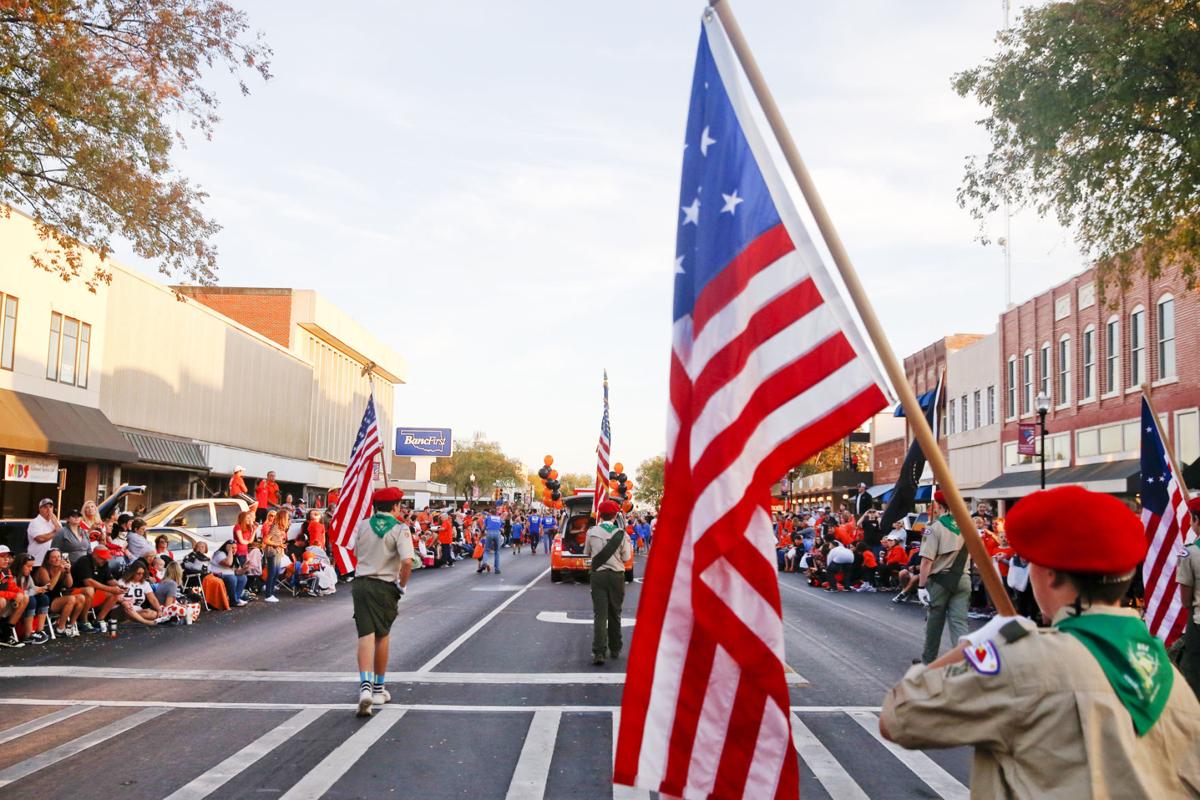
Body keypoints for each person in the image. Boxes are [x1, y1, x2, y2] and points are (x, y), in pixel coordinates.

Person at [880, 486, 1200, 797]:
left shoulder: (1025, 659)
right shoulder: (1171, 679)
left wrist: (979, 645)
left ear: (1050, 574)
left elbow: (901, 716)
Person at [350, 487, 413, 717]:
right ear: (395, 506)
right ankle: (378, 687)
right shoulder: (400, 528)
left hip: (361, 583)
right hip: (385, 585)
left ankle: (364, 686)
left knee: (365, 634)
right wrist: (402, 585)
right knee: (382, 635)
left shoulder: (364, 525)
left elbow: (357, 552)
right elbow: (407, 561)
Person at [916, 491, 971, 664]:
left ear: (938, 506)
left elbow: (926, 561)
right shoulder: (966, 525)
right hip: (963, 578)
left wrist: (921, 586)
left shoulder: (934, 528)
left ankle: (929, 661)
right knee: (959, 623)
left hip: (940, 581)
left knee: (934, 624)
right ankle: (964, 661)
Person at [585, 500, 631, 666]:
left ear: (600, 514)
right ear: (615, 515)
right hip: (617, 576)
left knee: (600, 614)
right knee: (615, 612)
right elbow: (626, 558)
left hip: (598, 575)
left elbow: (587, 552)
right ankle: (615, 647)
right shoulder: (622, 534)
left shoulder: (592, 532)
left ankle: (599, 652)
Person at [1171, 496, 1200, 696]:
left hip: (1198, 622)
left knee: (1194, 674)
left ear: (1196, 520)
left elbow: (1185, 599)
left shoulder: (1188, 553)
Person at [71, 545, 124, 633]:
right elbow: (88, 582)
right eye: (102, 558)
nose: (105, 560)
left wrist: (120, 586)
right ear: (95, 555)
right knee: (90, 589)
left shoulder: (103, 563)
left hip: (91, 595)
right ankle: (83, 621)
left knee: (115, 592)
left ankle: (98, 620)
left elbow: (109, 579)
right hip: (76, 593)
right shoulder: (84, 561)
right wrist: (110, 589)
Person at [36, 549, 85, 637]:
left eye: (59, 556)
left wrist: (68, 572)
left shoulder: (61, 569)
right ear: (48, 560)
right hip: (45, 600)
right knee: (71, 599)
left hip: (57, 598)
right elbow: (50, 587)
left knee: (81, 597)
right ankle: (60, 628)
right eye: (54, 557)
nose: (57, 559)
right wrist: (59, 571)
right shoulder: (42, 570)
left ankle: (70, 625)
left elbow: (69, 585)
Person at [212, 541, 249, 607]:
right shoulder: (220, 554)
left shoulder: (234, 556)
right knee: (232, 578)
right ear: (227, 547)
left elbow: (237, 572)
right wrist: (230, 551)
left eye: (235, 548)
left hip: (229, 575)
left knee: (243, 578)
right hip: (218, 575)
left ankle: (236, 599)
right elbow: (228, 563)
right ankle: (233, 601)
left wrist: (245, 568)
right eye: (232, 548)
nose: (234, 549)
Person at [262, 511, 288, 602]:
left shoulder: (281, 528)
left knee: (276, 573)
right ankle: (268, 595)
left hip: (278, 552)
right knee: (272, 573)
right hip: (272, 552)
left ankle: (271, 593)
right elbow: (266, 540)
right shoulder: (275, 527)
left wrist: (281, 545)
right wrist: (277, 544)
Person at [26, 498, 59, 567]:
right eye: (45, 507)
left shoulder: (56, 522)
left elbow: (61, 536)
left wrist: (56, 523)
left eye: (50, 507)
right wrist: (56, 532)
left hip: (53, 563)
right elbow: (40, 539)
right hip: (38, 562)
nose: (48, 509)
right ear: (39, 509)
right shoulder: (35, 522)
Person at [479, 509, 504, 575]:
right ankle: (497, 569)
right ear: (496, 513)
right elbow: (502, 528)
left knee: (486, 550)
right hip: (497, 533)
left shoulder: (488, 518)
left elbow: (483, 527)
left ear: (490, 513)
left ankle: (484, 562)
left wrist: (482, 532)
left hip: (489, 533)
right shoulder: (499, 518)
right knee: (497, 552)